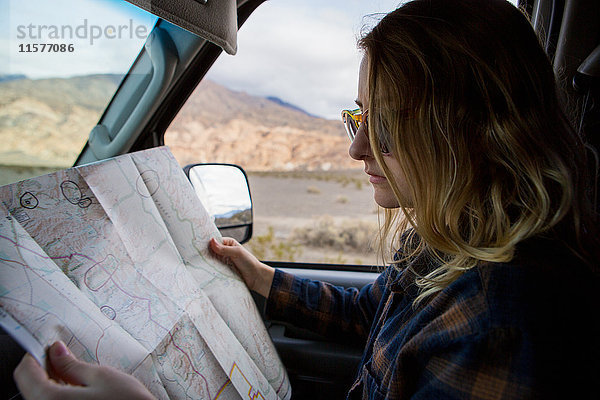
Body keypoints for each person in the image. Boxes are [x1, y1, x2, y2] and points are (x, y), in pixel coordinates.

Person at [13, 0, 600, 398]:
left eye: (390, 129)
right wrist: (260, 275)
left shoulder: (503, 326)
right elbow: (376, 316)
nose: (358, 150)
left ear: (476, 130)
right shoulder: (454, 242)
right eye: (359, 118)